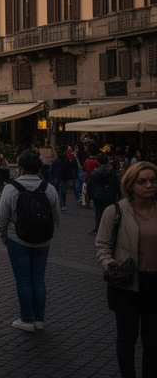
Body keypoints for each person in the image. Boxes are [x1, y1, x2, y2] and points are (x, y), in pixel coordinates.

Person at [95, 160, 157, 378]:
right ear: (130, 184)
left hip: (154, 284)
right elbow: (101, 246)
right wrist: (110, 264)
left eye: (152, 180)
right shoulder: (115, 212)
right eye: (142, 181)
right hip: (126, 283)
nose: (149, 185)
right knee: (127, 338)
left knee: (153, 340)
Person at [0, 149, 62, 332]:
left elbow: (2, 218)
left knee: (23, 280)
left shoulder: (11, 188)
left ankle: (26, 319)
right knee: (39, 279)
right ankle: (39, 319)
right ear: (39, 168)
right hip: (43, 241)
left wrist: (4, 237)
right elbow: (57, 218)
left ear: (20, 168)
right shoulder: (49, 189)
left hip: (18, 239)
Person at [90, 154, 123, 234]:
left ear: (98, 162)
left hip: (98, 196)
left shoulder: (94, 174)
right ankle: (109, 230)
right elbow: (118, 185)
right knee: (111, 213)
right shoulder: (113, 174)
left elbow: (90, 185)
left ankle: (98, 229)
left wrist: (91, 195)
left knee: (98, 213)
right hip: (110, 195)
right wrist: (119, 196)